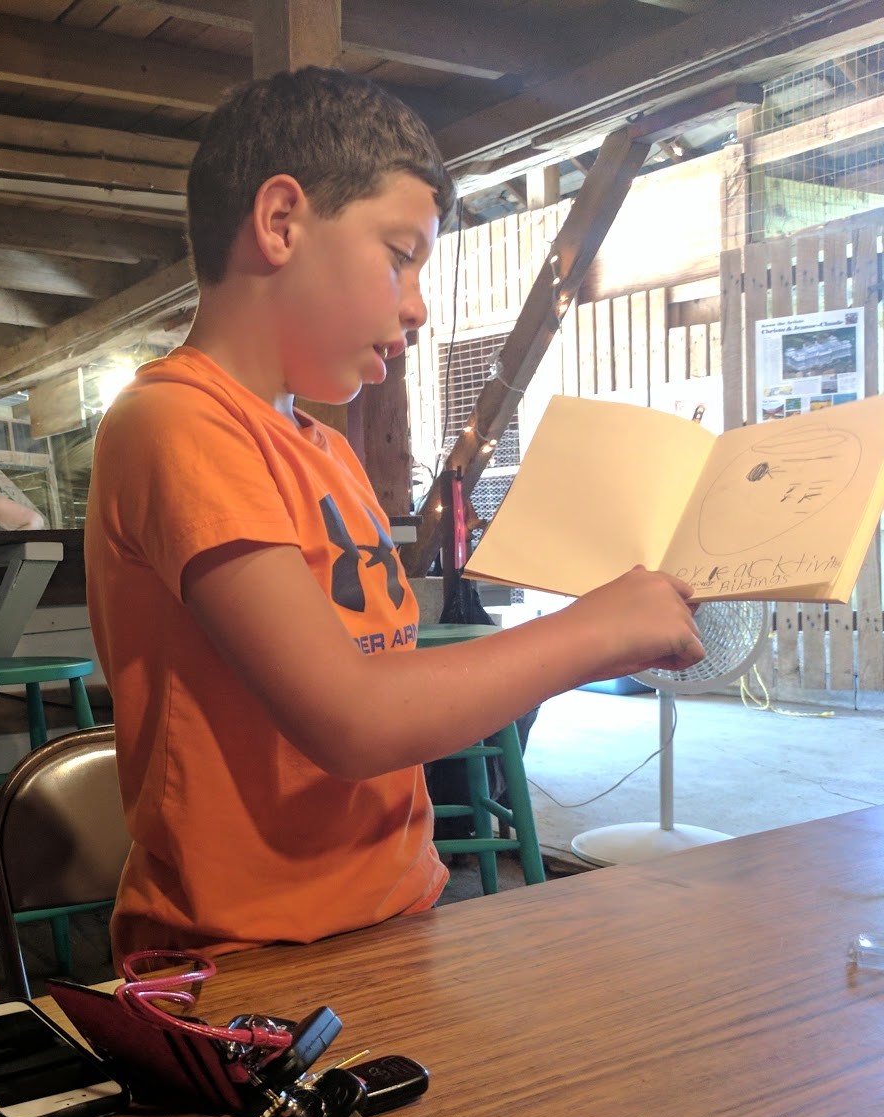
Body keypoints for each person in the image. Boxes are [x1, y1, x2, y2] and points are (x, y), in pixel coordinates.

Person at [84, 68, 703, 960]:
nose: (416, 305)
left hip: (394, 917)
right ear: (281, 222)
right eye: (399, 255)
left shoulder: (328, 452)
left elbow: (394, 681)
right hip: (244, 956)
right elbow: (354, 719)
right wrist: (595, 632)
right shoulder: (176, 421)